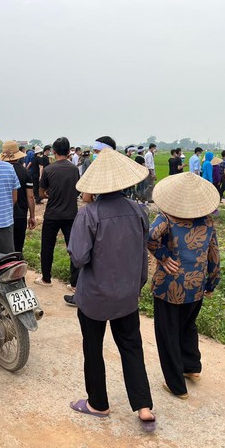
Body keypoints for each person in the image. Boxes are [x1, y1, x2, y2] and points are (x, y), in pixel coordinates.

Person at [68, 145, 156, 432]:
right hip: (127, 293)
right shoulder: (139, 211)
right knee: (131, 346)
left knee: (92, 347)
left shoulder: (89, 214)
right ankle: (143, 406)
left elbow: (80, 257)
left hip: (95, 295)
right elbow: (143, 251)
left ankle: (98, 403)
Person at [148, 172, 221, 399]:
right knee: (188, 325)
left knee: (167, 332)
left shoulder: (166, 218)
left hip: (169, 286)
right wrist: (212, 282)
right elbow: (214, 255)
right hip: (196, 285)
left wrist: (161, 255)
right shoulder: (207, 221)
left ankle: (176, 385)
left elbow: (149, 236)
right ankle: (191, 366)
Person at [34, 137, 80, 290]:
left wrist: (49, 194)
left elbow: (41, 192)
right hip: (71, 214)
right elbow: (78, 189)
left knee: (47, 246)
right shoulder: (74, 169)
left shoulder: (49, 169)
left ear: (54, 151)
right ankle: (75, 283)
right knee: (73, 248)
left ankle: (46, 278)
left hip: (52, 214)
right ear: (68, 152)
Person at [0, 140, 36, 254]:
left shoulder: (0, 171)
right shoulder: (25, 172)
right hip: (20, 214)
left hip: (3, 216)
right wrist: (32, 216)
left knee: (3, 250)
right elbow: (30, 196)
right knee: (18, 248)